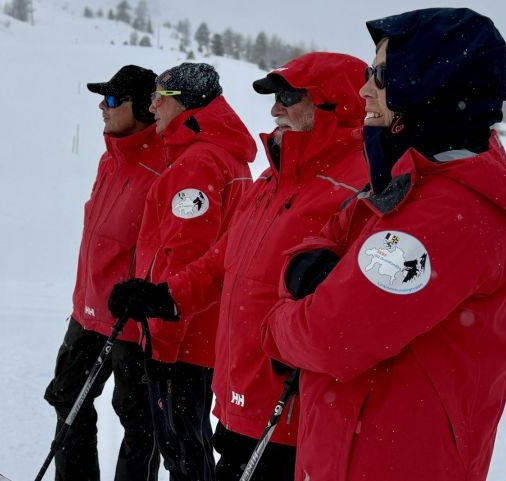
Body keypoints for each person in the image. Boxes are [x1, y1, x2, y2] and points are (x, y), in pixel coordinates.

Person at [261, 8, 506, 481]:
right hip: (350, 450)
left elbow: (331, 339)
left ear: (432, 83)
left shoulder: (447, 214)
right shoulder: (411, 181)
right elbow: (327, 237)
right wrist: (309, 270)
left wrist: (278, 326)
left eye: (382, 75)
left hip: (390, 460)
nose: (365, 89)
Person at [111, 52, 369, 481]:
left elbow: (356, 312)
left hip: (293, 415)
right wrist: (166, 298)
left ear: (335, 104)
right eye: (274, 98)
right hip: (239, 398)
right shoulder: (273, 178)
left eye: (288, 96)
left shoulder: (358, 187)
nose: (274, 109)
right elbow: (221, 262)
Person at [108, 62, 257, 481]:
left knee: (182, 448)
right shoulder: (215, 156)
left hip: (184, 335)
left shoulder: (199, 162)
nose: (152, 107)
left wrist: (162, 346)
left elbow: (182, 256)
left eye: (160, 99)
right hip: (200, 329)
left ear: (185, 105)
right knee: (187, 445)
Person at [43, 65, 165, 481]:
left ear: (143, 109)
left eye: (113, 100)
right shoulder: (109, 159)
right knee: (67, 397)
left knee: (139, 423)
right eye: (103, 97)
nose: (102, 106)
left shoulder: (164, 165)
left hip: (130, 322)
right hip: (87, 310)